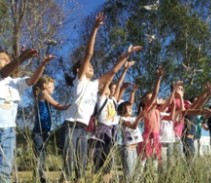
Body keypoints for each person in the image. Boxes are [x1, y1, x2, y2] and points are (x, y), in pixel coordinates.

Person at [61, 12, 105, 182]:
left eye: (92, 66)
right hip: (71, 126)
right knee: (69, 162)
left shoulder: (94, 85)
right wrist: (94, 29)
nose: (91, 67)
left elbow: (112, 72)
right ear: (79, 71)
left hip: (83, 129)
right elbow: (88, 55)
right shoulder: (79, 81)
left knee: (81, 164)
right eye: (88, 66)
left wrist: (124, 59)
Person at [0, 50, 53, 183]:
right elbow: (4, 71)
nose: (6, 61)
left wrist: (42, 65)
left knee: (5, 169)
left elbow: (32, 80)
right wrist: (21, 58)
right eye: (2, 59)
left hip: (9, 131)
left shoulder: (16, 82)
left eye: (8, 59)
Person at [92, 45, 142, 183]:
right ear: (104, 89)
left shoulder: (113, 100)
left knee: (109, 163)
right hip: (102, 131)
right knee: (99, 162)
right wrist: (122, 61)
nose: (112, 90)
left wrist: (126, 69)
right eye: (109, 87)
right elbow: (111, 79)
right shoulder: (101, 98)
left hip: (112, 132)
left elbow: (119, 83)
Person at [32, 75, 70, 183]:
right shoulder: (43, 94)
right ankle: (39, 177)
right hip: (39, 131)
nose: (53, 89)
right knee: (40, 154)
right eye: (52, 86)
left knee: (41, 154)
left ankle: (40, 176)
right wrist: (72, 106)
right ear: (44, 86)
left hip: (44, 130)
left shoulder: (43, 96)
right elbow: (58, 106)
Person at [117, 85, 144, 180]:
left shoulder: (132, 118)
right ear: (122, 110)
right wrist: (139, 117)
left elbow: (131, 103)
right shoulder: (121, 119)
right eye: (128, 108)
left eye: (131, 108)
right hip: (127, 149)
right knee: (128, 175)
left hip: (134, 148)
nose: (131, 109)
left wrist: (133, 92)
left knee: (134, 174)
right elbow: (133, 126)